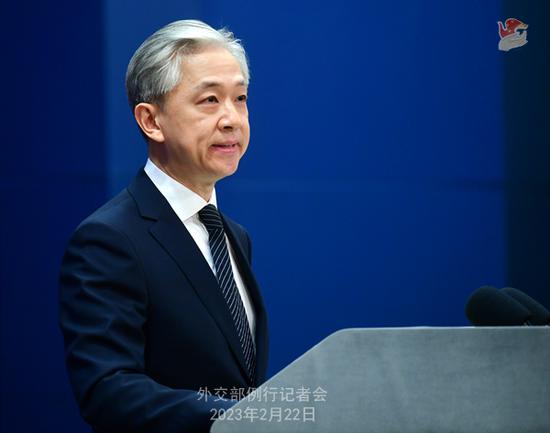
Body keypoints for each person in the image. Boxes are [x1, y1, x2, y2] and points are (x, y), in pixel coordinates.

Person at [59, 19, 269, 433]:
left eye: (240, 98)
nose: (231, 118)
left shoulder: (234, 236)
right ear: (151, 121)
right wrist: (243, 421)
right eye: (210, 100)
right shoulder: (109, 240)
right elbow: (108, 389)